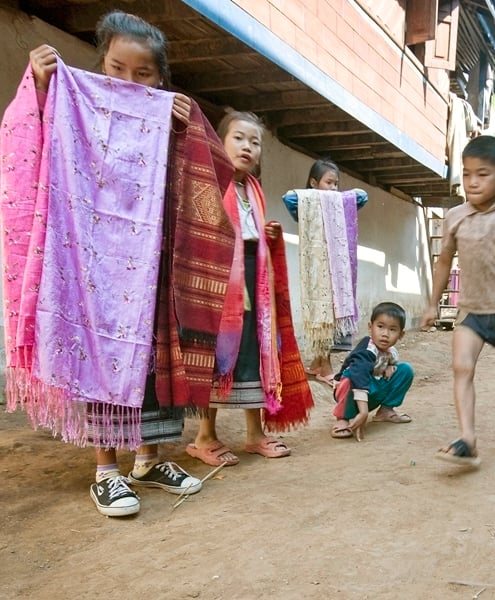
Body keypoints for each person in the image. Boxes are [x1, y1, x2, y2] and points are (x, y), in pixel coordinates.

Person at [1, 11, 237, 516]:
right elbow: (28, 141)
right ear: (100, 67)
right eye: (116, 69)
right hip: (93, 269)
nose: (128, 82)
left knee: (153, 360)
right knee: (103, 358)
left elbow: (214, 172)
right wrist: (42, 87)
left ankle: (149, 459)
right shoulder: (75, 104)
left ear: (160, 77)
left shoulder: (171, 114)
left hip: (154, 264)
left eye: (143, 73)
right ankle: (106, 469)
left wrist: (187, 128)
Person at [186, 111, 314, 466]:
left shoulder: (251, 190)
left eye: (255, 142)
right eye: (239, 138)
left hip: (253, 286)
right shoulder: (210, 182)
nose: (247, 147)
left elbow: (249, 233)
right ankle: (204, 436)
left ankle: (254, 434)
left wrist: (266, 234)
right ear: (219, 142)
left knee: (254, 358)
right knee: (217, 361)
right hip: (219, 288)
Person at [421, 135, 495, 465]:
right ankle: (468, 438)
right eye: (467, 173)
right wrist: (433, 303)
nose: (472, 182)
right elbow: (444, 260)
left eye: (482, 174)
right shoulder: (455, 216)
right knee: (462, 367)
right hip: (471, 309)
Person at [282, 159, 367, 388]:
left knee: (333, 311)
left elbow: (362, 196)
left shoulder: (339, 206)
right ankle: (324, 365)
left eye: (336, 184)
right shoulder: (304, 206)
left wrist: (334, 197)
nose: (333, 189)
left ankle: (320, 362)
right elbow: (288, 197)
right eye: (329, 183)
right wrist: (313, 196)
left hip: (337, 271)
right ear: (313, 182)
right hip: (317, 271)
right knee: (323, 313)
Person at [330, 302, 414, 440]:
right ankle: (342, 418)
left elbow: (390, 362)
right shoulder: (366, 349)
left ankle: (385, 411)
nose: (385, 334)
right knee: (349, 377)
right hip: (351, 394)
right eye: (380, 327)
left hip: (371, 392)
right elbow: (359, 376)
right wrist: (363, 412)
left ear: (401, 334)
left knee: (405, 370)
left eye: (392, 330)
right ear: (370, 327)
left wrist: (389, 366)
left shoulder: (391, 351)